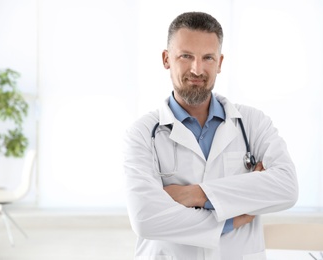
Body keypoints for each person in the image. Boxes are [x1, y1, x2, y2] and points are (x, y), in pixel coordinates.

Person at [124, 11, 298, 260]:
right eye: (186, 56)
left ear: (220, 62)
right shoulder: (142, 134)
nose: (197, 69)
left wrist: (196, 194)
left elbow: (287, 188)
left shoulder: (253, 123)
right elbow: (146, 218)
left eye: (208, 58)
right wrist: (234, 218)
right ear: (166, 59)